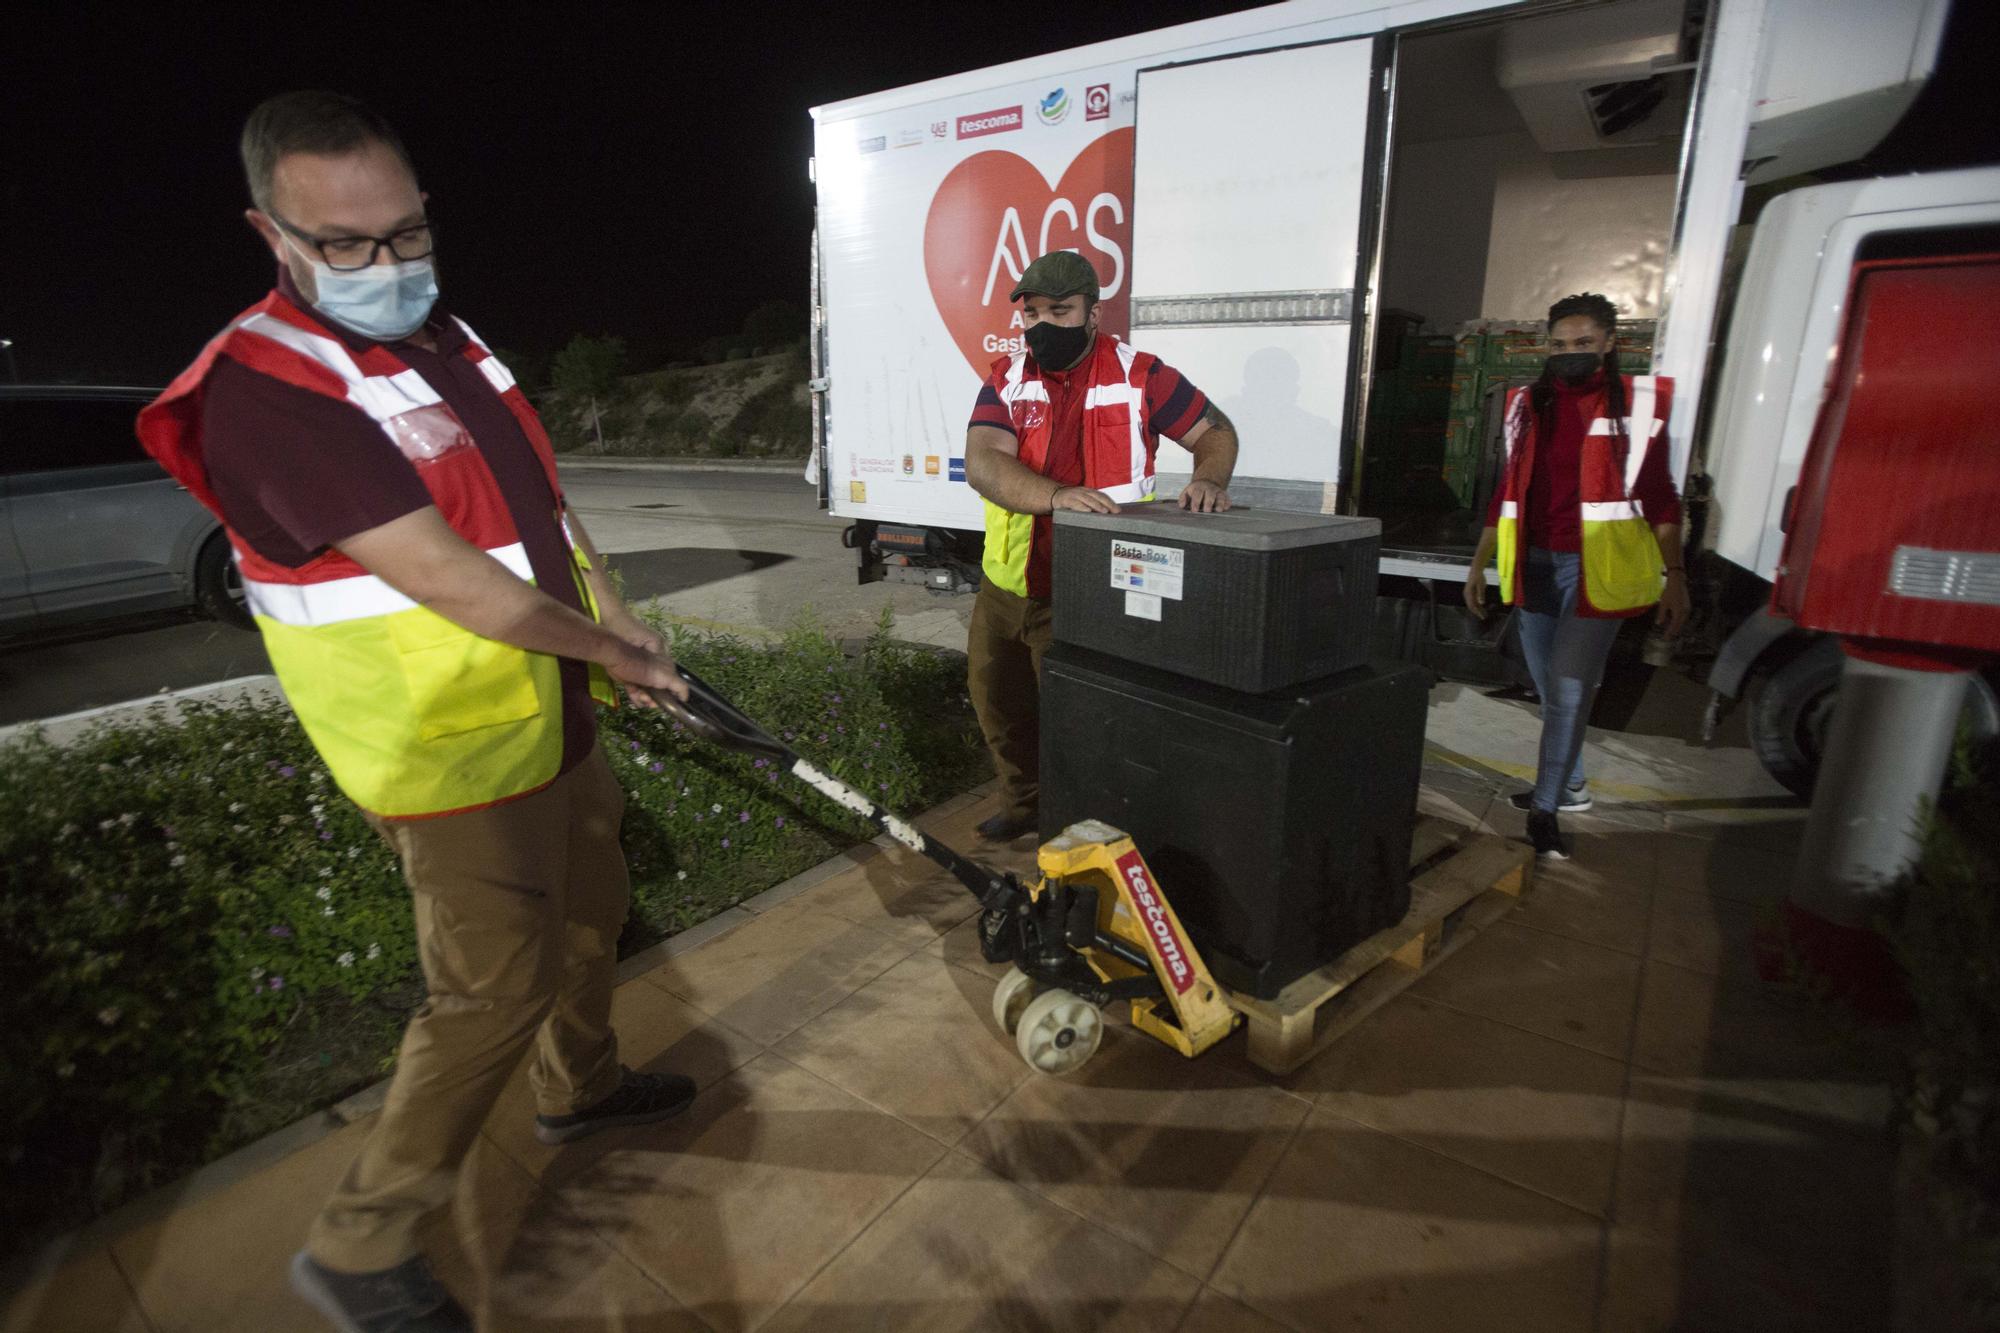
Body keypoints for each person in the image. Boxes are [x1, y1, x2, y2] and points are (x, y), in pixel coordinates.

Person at [137, 91, 697, 1332]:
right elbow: (447, 574)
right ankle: (362, 1244)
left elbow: (538, 508)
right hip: (446, 756)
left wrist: (612, 618)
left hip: (551, 716)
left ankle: (583, 1085)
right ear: (267, 230)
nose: (384, 265)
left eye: (403, 233)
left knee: (594, 917)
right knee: (488, 991)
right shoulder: (269, 389)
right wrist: (618, 652)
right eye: (344, 243)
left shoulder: (446, 337)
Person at [963, 251, 1238, 841]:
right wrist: (1058, 495)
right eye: (1032, 312)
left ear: (1093, 312)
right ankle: (1024, 807)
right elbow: (984, 463)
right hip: (1006, 584)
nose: (1043, 325)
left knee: (1080, 723)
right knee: (999, 707)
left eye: (1060, 310)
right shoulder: (1007, 379)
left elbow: (1215, 431)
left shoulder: (1142, 375)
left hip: (1091, 592)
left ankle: (1076, 831)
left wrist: (1209, 478)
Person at [1462, 292, 1689, 861]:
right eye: (1560, 345)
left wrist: (1676, 574)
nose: (1570, 354)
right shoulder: (1526, 405)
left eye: (1584, 343)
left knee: (1565, 689)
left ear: (1610, 343)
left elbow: (1661, 499)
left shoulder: (1635, 407)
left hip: (1596, 572)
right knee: (1549, 688)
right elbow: (1507, 492)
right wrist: (1478, 563)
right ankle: (1573, 784)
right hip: (1535, 565)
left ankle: (1545, 811)